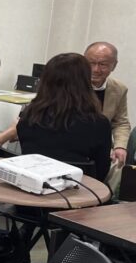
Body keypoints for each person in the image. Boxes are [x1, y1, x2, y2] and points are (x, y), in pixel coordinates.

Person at [17, 52, 112, 181]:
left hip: (30, 186)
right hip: (79, 190)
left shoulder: (29, 115)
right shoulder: (99, 124)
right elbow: (101, 172)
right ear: (85, 82)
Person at [84, 41, 130, 166]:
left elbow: (121, 122)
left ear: (114, 65)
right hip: (72, 144)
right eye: (91, 63)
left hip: (101, 146)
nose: (96, 69)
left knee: (119, 164)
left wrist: (120, 147)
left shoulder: (119, 89)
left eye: (103, 64)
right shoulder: (69, 84)